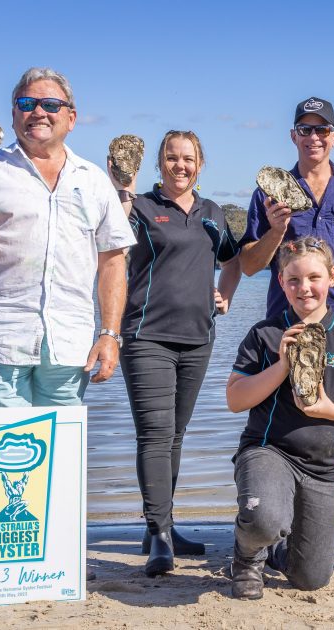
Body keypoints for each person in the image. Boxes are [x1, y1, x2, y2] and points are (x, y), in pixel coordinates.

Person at [239, 96, 334, 552]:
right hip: (281, 320)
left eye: (321, 130)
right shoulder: (270, 190)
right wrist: (273, 228)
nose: (313, 138)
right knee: (276, 412)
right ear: (293, 136)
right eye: (304, 130)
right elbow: (249, 264)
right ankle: (271, 511)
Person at [0, 67, 134, 407]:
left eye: (51, 104)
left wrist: (109, 335)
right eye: (27, 102)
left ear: (71, 118)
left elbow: (113, 263)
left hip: (69, 347)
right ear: (14, 113)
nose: (38, 112)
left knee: (63, 458)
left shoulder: (94, 180)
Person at [225, 237, 334, 600]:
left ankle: (275, 550)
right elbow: (235, 400)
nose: (305, 288)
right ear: (281, 282)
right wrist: (283, 365)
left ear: (333, 277)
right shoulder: (265, 334)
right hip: (269, 451)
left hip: (322, 467)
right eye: (294, 280)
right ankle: (247, 557)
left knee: (312, 578)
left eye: (314, 278)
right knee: (265, 520)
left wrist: (332, 411)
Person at [109, 130, 242, 575]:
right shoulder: (142, 208)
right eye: (171, 157)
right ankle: (160, 536)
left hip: (198, 337)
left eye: (188, 158)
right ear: (160, 163)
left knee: (176, 435)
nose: (179, 165)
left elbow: (233, 259)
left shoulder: (213, 213)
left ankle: (160, 526)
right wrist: (121, 193)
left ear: (200, 164)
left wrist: (224, 295)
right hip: (146, 335)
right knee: (154, 434)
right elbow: (111, 239)